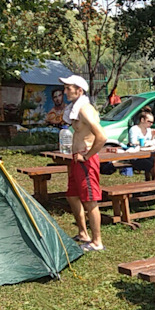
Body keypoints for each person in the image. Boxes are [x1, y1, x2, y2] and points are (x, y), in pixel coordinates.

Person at [60, 75, 107, 251]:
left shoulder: (85, 110)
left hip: (85, 160)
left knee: (90, 200)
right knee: (72, 195)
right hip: (76, 159)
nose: (65, 92)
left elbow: (102, 137)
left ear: (79, 90)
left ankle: (97, 242)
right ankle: (83, 233)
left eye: (68, 88)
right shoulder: (76, 108)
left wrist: (87, 157)